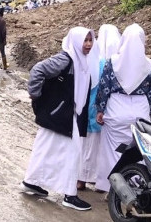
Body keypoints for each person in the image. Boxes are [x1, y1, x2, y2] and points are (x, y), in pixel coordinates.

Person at [21, 26, 94, 211]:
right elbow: (38, 70)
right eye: (84, 40)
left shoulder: (82, 61)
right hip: (61, 114)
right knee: (73, 152)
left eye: (90, 40)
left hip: (63, 114)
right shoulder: (66, 59)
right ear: (76, 41)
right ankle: (70, 195)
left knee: (44, 149)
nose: (88, 44)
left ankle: (31, 182)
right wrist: (35, 94)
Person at [94, 23, 151, 193]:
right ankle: (135, 183)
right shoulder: (150, 66)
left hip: (116, 109)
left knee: (112, 149)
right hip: (140, 110)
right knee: (136, 149)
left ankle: (108, 185)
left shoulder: (112, 63)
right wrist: (149, 113)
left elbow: (104, 88)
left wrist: (100, 109)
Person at [77, 24, 120, 191]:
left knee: (84, 146)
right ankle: (96, 178)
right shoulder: (111, 63)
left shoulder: (91, 60)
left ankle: (81, 178)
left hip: (87, 109)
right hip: (104, 111)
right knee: (99, 148)